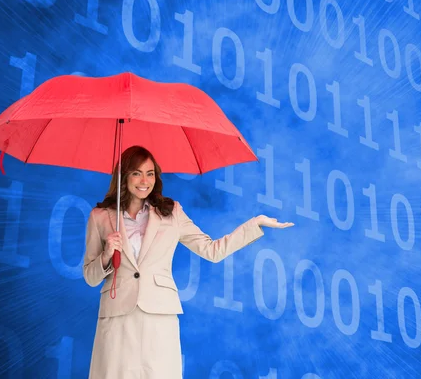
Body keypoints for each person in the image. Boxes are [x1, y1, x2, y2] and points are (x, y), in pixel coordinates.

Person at [82, 145, 294, 379]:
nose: (144, 181)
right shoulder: (100, 217)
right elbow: (91, 277)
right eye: (136, 173)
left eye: (150, 173)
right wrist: (106, 255)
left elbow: (211, 250)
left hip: (159, 316)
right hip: (117, 316)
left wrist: (255, 224)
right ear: (124, 176)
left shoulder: (171, 213)